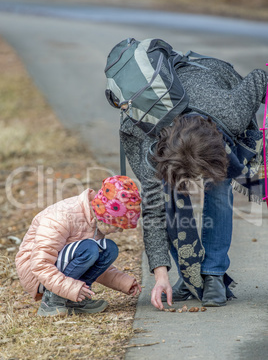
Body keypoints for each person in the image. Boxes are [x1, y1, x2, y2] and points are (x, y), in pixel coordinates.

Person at [119, 56, 267, 310]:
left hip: (213, 92)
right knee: (167, 199)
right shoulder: (148, 141)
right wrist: (161, 276)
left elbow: (261, 76)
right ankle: (191, 276)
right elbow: (154, 213)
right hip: (165, 125)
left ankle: (213, 275)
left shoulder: (232, 111)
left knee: (218, 186)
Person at [15, 175, 142, 316]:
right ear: (104, 216)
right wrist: (70, 288)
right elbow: (40, 264)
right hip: (38, 274)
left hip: (58, 268)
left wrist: (124, 283)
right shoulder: (62, 216)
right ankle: (51, 301)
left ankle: (72, 300)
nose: (119, 230)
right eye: (117, 226)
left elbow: (92, 263)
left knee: (109, 248)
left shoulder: (94, 222)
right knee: (90, 248)